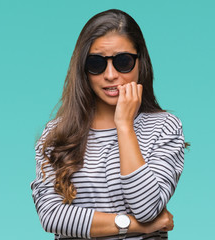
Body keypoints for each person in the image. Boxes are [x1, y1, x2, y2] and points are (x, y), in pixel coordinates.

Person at [30, 9, 186, 240]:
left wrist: (124, 125)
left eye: (123, 62)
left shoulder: (164, 127)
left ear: (140, 63)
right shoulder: (57, 133)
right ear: (83, 69)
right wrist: (134, 226)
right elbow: (52, 216)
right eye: (96, 64)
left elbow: (146, 209)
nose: (110, 75)